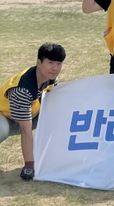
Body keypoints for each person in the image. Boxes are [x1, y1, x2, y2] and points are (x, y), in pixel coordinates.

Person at [0, 43, 66, 181]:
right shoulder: (23, 88)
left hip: (29, 112)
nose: (55, 68)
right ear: (39, 62)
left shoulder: (50, 78)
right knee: (2, 129)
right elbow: (25, 130)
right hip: (4, 115)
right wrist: (29, 165)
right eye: (50, 62)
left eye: (59, 63)